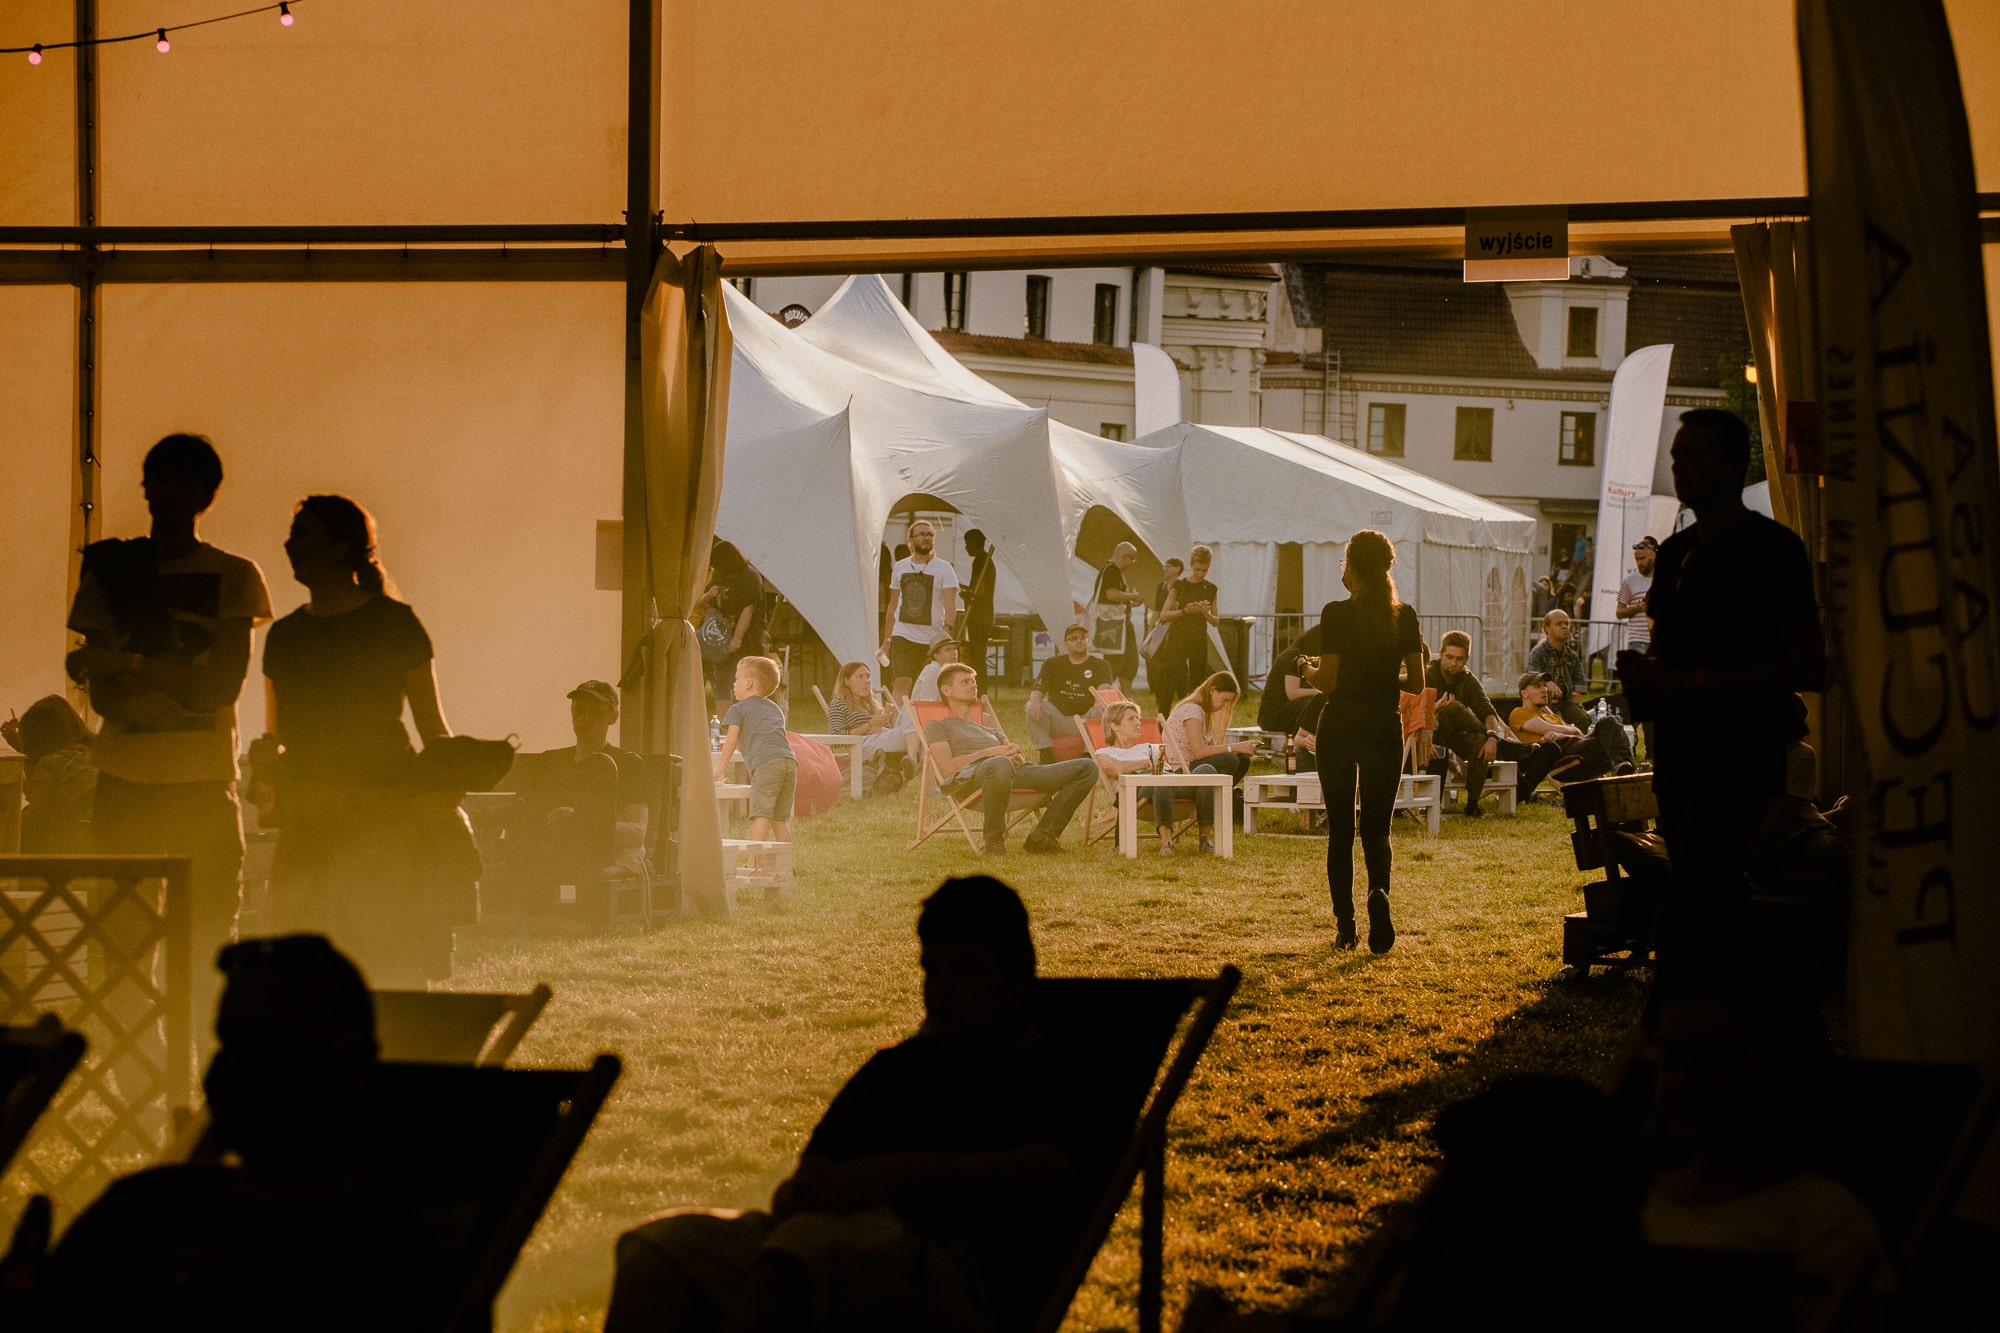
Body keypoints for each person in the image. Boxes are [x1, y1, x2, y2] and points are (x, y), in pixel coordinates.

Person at [605, 876, 1130, 1333]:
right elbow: (816, 1165)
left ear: (1018, 974)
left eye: (966, 971)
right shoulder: (900, 1067)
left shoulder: (1060, 1069)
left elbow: (1054, 1174)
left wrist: (897, 1175)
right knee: (661, 1249)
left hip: (959, 1263)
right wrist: (805, 1189)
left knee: (799, 1258)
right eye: (932, 970)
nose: (942, 990)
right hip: (830, 1244)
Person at [21, 934, 445, 1330]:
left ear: (352, 1064)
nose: (240, 1063)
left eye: (268, 1039)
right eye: (229, 1039)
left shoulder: (384, 1259)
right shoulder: (143, 1205)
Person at [65, 433, 273, 1041]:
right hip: (124, 782)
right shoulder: (111, 571)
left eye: (186, 481)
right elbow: (98, 686)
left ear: (207, 495)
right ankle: (140, 1076)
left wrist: (129, 665)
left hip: (203, 784)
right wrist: (128, 697)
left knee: (209, 943)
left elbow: (221, 685)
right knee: (122, 947)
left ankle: (206, 1071)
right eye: (162, 479)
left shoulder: (235, 576)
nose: (171, 492)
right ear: (146, 487)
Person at [1620, 409, 1824, 965]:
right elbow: (1667, 649)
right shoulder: (1675, 554)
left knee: (1710, 900)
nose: (1679, 467)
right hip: (1681, 758)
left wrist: (1698, 681)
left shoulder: (1774, 550)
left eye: (1694, 454)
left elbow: (1807, 666)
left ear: (1734, 464)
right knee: (1695, 888)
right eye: (1676, 456)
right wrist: (1648, 676)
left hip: (1744, 757)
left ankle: (1709, 1000)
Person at [260, 495, 472, 989]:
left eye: (304, 534)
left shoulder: (394, 625)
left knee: (386, 967)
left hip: (382, 821)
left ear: (340, 548)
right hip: (310, 821)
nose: (290, 544)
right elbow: (276, 735)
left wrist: (448, 790)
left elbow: (433, 729)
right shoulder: (284, 637)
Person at [1641, 975, 1883, 1330]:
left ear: (1777, 1071)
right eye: (1672, 1059)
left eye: (1711, 1061)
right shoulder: (1627, 1201)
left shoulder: (1822, 1221)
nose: (1681, 1083)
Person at [1309, 530, 1422, 953]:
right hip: (1382, 727)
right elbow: (1418, 681)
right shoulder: (1403, 615)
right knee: (1377, 829)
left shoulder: (1335, 613)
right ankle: (1378, 892)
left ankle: (1346, 927)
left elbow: (1327, 681)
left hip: (1339, 726)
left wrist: (1303, 668)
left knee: (1340, 831)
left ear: (1353, 566)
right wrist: (1384, 676)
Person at [504, 682, 650, 921]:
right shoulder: (551, 762)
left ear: (613, 716)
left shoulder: (628, 765)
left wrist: (581, 823)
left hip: (593, 854)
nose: (584, 718)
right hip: (545, 849)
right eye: (578, 711)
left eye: (594, 712)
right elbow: (527, 811)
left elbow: (637, 833)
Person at [922, 664, 1097, 855]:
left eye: (973, 681)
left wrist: (1015, 755)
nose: (973, 685)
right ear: (946, 690)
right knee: (999, 763)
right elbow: (946, 768)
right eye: (965, 682)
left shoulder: (989, 729)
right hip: (971, 780)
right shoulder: (938, 727)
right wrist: (991, 753)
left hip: (1011, 772)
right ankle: (994, 842)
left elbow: (1013, 758)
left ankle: (1043, 836)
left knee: (1087, 767)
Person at [1423, 633, 1561, 815]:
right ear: (1441, 654)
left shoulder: (1467, 679)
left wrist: (1492, 738)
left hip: (1461, 740)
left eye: (1459, 659)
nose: (1454, 663)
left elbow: (1488, 711)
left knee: (1548, 749)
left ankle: (1479, 803)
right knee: (1453, 708)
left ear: (1466, 660)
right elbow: (1420, 715)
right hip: (1432, 737)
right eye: (1449, 657)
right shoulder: (1429, 676)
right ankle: (1508, 753)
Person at [1161, 672, 1257, 856]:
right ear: (1212, 690)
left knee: (1242, 760)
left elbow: (1212, 750)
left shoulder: (1203, 712)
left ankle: (1210, 800)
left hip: (1197, 766)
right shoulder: (1192, 711)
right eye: (1225, 700)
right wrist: (1234, 747)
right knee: (1230, 759)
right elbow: (1199, 751)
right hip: (1183, 770)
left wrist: (1238, 750)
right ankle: (1210, 803)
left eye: (1229, 702)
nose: (1225, 705)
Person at [714, 656, 796, 858]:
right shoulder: (774, 708)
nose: (734, 684)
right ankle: (785, 866)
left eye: (736, 678)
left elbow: (731, 740)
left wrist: (719, 769)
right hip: (789, 762)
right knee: (778, 819)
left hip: (767, 765)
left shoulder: (738, 709)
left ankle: (754, 864)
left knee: (761, 815)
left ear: (748, 683)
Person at [3, 695, 97, 854]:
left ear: (37, 740)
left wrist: (8, 822)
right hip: (99, 844)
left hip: (64, 849)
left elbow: (35, 818)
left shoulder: (51, 763)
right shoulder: (96, 752)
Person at [882, 519, 960, 701]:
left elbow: (950, 605)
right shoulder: (900, 567)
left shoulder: (944, 568)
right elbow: (893, 605)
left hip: (932, 639)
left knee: (929, 685)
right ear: (911, 539)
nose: (926, 538)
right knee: (902, 682)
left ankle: (926, 718)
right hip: (903, 635)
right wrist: (887, 639)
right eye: (921, 534)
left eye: (930, 534)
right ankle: (899, 718)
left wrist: (946, 631)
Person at [1509, 672, 1633, 781]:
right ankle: (1627, 766)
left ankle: (1621, 764)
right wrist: (1569, 731)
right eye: (1537, 686)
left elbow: (1577, 733)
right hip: (1559, 755)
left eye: (1545, 686)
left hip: (1579, 748)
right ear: (1524, 693)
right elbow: (1552, 730)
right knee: (1611, 733)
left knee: (1609, 721)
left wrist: (1565, 732)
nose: (1544, 690)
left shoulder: (1552, 716)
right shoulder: (1519, 713)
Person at [1089, 701, 1176, 854]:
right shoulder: (1104, 753)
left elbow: (1167, 770)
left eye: (1138, 718)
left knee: (1206, 770)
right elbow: (1117, 769)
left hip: (1170, 786)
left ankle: (1205, 840)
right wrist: (1146, 762)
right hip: (1136, 795)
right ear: (1114, 726)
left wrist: (1148, 764)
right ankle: (1166, 843)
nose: (1138, 723)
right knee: (1161, 783)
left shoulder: (1148, 747)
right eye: (1131, 719)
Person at [826, 660, 922, 789]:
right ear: (846, 681)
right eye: (860, 676)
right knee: (919, 730)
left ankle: (911, 763)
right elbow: (835, 738)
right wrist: (869, 725)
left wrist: (881, 728)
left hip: (880, 741)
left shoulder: (872, 704)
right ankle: (913, 760)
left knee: (910, 708)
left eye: (868, 676)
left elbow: (887, 731)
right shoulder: (839, 704)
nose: (866, 681)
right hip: (862, 747)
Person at [1025, 624, 1113, 763]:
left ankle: (1087, 755)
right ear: (1065, 644)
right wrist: (1035, 701)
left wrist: (1097, 705)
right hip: (1058, 721)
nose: (1079, 641)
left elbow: (1104, 688)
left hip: (1086, 719)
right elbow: (1039, 687)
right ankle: (1046, 754)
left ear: (1088, 641)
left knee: (1103, 707)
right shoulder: (1052, 663)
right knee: (1032, 704)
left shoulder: (1101, 664)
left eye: (1083, 637)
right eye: (1073, 638)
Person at [703, 541, 766, 710]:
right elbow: (703, 602)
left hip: (748, 639)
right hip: (723, 638)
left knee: (746, 680)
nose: (716, 570)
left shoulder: (749, 576)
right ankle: (725, 721)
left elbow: (749, 609)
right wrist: (709, 595)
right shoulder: (720, 576)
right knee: (722, 681)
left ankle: (745, 718)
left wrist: (737, 639)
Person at [1155, 546, 1219, 711]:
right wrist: (1185, 611)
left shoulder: (1211, 588)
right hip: (1178, 639)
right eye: (1197, 569)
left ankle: (1193, 716)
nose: (1200, 574)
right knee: (1170, 683)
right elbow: (1163, 615)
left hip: (1198, 640)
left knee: (1197, 684)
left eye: (1204, 571)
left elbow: (1216, 621)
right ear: (1191, 564)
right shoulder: (1179, 585)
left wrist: (1204, 613)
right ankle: (1162, 719)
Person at [1089, 542, 1147, 695]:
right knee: (1115, 663)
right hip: (1114, 627)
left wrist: (1131, 603)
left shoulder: (1113, 571)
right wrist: (1132, 596)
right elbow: (1111, 595)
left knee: (1129, 663)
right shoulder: (1111, 570)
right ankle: (1100, 696)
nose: (1132, 563)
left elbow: (1114, 601)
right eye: (1132, 559)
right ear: (1125, 556)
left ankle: (1125, 699)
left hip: (1120, 624)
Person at [1257, 626, 1324, 754]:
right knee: (1315, 702)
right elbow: (1292, 693)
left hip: (1286, 712)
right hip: (1274, 715)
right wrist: (1319, 691)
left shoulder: (1306, 657)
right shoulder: (1293, 657)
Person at [1525, 608, 1592, 728]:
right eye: (1559, 623)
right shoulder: (1538, 652)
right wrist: (1547, 682)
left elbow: (1579, 679)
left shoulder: (1571, 655)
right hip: (1543, 703)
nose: (1564, 626)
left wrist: (1576, 696)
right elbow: (1531, 674)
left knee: (1583, 719)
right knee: (1551, 725)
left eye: (1566, 623)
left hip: (1565, 702)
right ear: (1547, 628)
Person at [1145, 556, 1185, 716]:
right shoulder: (1161, 587)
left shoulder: (1181, 587)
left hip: (1176, 632)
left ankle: (1181, 696)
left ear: (1177, 569)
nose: (1165, 569)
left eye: (1168, 566)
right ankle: (1159, 695)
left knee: (1177, 666)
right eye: (1165, 566)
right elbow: (1156, 610)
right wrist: (1150, 630)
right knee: (1157, 662)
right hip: (1161, 630)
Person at [960, 529, 997, 675]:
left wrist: (966, 594)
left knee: (977, 655)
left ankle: (980, 684)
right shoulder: (984, 560)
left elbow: (979, 591)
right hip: (983, 615)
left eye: (967, 544)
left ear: (974, 544)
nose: (966, 547)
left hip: (979, 616)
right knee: (978, 655)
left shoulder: (981, 561)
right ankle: (980, 683)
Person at [910, 637, 960, 704]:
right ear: (936, 656)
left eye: (955, 649)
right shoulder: (933, 670)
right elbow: (927, 702)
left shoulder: (949, 672)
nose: (953, 652)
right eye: (948, 649)